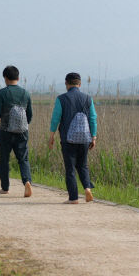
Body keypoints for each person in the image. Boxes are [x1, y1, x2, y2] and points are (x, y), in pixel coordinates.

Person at [49, 72, 98, 204]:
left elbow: (56, 118)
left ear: (66, 83)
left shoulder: (61, 99)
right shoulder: (88, 98)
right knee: (83, 166)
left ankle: (73, 198)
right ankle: (87, 188)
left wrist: (52, 135)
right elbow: (93, 118)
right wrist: (93, 137)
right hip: (84, 139)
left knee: (70, 168)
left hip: (67, 139)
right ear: (80, 84)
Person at [0, 65, 34, 197]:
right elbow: (30, 115)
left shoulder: (2, 93)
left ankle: (5, 188)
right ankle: (27, 181)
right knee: (23, 159)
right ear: (18, 77)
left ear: (5, 78)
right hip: (22, 132)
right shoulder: (26, 93)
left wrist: (0, 116)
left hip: (5, 131)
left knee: (4, 159)